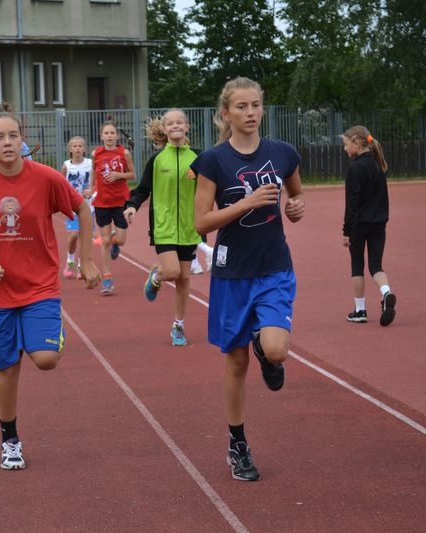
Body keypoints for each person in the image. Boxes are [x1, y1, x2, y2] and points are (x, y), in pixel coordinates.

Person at [0, 111, 101, 470]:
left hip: (40, 286)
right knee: (7, 367)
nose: (7, 143)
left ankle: (34, 336)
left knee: (46, 359)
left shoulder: (46, 178)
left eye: (13, 136)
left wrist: (86, 260)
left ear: (22, 140)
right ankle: (10, 440)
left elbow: (82, 210)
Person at [192, 77, 305, 482]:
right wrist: (246, 203)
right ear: (226, 113)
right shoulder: (213, 161)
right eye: (241, 106)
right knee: (236, 360)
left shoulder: (282, 153)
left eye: (256, 104)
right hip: (232, 272)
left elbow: (296, 194)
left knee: (275, 350)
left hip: (274, 267)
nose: (251, 112)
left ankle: (265, 350)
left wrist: (296, 207)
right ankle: (237, 444)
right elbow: (201, 223)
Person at [124, 110, 199, 346]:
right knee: (173, 272)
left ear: (187, 126)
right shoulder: (157, 160)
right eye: (170, 123)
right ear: (165, 129)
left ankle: (178, 325)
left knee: (184, 278)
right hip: (163, 225)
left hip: (189, 226)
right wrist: (132, 206)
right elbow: (143, 189)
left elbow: (211, 186)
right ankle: (157, 276)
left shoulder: (199, 158)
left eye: (179, 122)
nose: (175, 126)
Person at [341, 126, 396, 326]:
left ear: (356, 142)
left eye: (346, 144)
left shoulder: (354, 168)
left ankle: (360, 310)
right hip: (379, 224)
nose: (345, 148)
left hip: (359, 225)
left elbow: (352, 204)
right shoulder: (378, 165)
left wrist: (347, 231)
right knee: (376, 266)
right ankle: (386, 292)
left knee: (357, 266)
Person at [90, 121, 135, 294]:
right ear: (101, 136)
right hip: (102, 202)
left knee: (120, 240)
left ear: (117, 136)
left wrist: (118, 175)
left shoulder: (124, 153)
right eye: (106, 133)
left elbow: (133, 175)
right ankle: (107, 278)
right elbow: (93, 172)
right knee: (105, 241)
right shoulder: (96, 153)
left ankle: (116, 243)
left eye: (112, 133)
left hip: (120, 202)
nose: (109, 136)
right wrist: (91, 188)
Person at [59, 136, 93, 279]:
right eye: (75, 146)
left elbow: (95, 182)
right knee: (73, 235)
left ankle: (81, 265)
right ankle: (70, 260)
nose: (78, 148)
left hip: (88, 207)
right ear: (70, 149)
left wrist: (91, 190)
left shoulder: (90, 164)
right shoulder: (66, 166)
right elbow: (60, 184)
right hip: (72, 207)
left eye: (80, 146)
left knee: (84, 238)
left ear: (84, 149)